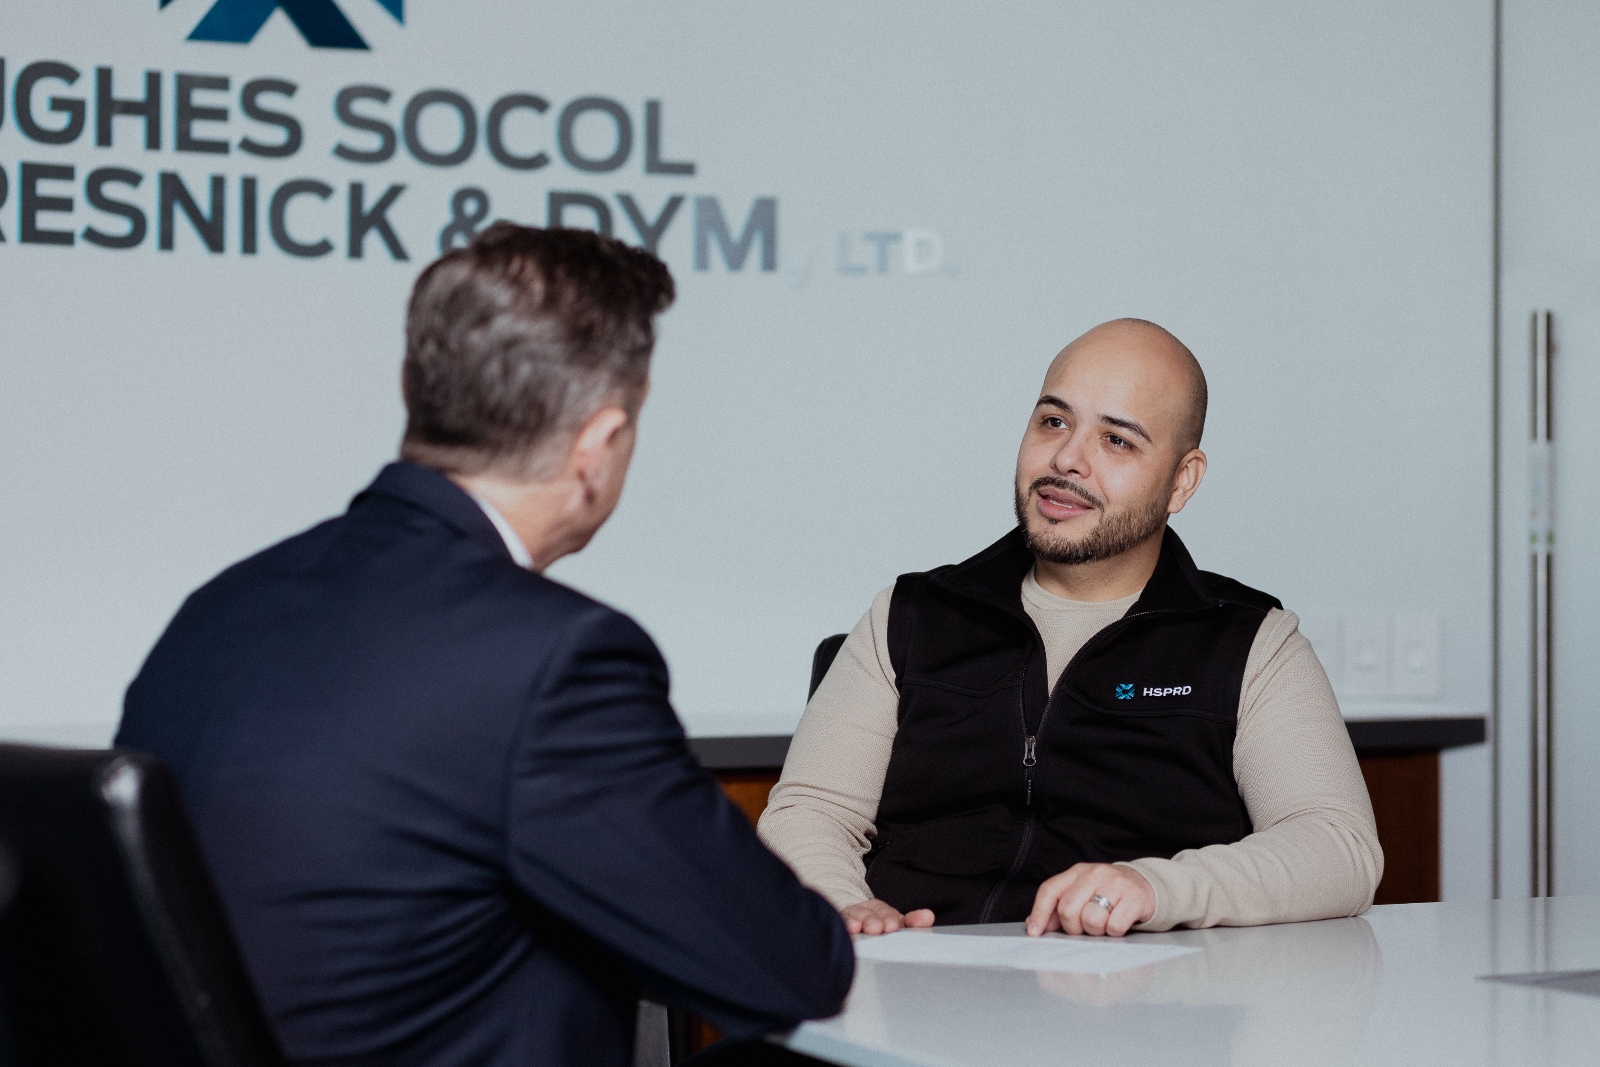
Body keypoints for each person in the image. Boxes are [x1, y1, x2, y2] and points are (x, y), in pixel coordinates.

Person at [116, 224, 853, 1067]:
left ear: (414, 388)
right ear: (598, 447)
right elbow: (790, 967)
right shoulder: (556, 661)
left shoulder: (220, 608)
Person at [758, 318, 1383, 939]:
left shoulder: (1249, 643)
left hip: (1136, 991)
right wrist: (845, 907)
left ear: (1182, 480)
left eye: (1117, 441)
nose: (1066, 460)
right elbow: (810, 813)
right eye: (1054, 421)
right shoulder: (911, 615)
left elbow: (1339, 848)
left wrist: (1155, 888)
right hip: (910, 972)